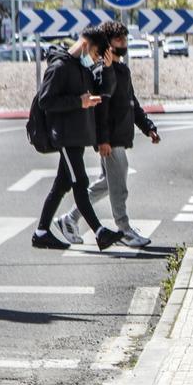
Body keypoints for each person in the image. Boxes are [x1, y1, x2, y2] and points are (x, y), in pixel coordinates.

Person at [55, 21, 160, 248]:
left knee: (106, 183)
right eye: (118, 40)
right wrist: (103, 140)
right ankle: (124, 230)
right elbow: (100, 109)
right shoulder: (102, 71)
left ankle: (69, 219)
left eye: (125, 39)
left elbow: (133, 104)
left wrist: (148, 126)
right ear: (107, 45)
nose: (124, 43)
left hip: (119, 137)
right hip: (111, 140)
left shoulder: (122, 69)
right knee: (118, 187)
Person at [32, 26, 123, 251]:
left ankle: (41, 232)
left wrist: (108, 68)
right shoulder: (60, 67)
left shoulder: (81, 69)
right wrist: (78, 102)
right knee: (80, 183)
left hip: (77, 135)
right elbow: (45, 101)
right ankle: (100, 232)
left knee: (62, 183)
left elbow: (104, 91)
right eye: (93, 55)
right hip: (65, 136)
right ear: (84, 45)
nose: (93, 60)